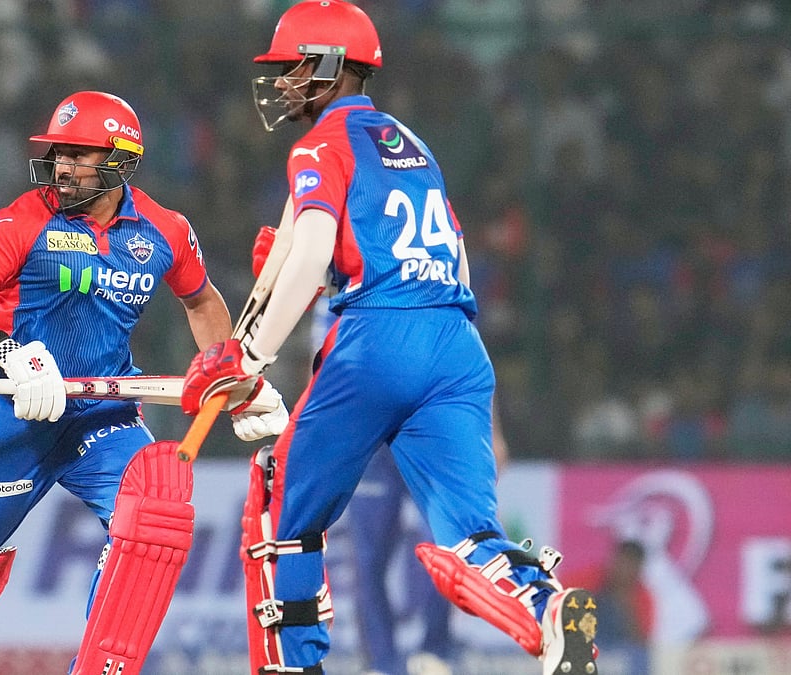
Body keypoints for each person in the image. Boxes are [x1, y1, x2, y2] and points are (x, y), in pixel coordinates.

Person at [179, 3, 598, 675]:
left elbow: (310, 249)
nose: (282, 83)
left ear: (328, 68)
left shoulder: (318, 145)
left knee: (278, 499)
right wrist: (259, 319)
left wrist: (247, 357)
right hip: (458, 347)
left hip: (379, 340)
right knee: (471, 537)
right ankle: (547, 614)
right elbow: (319, 248)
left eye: (292, 69)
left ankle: (294, 664)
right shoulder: (412, 142)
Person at [0, 90, 288, 675]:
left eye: (80, 155)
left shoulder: (164, 230)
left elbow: (201, 302)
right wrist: (10, 353)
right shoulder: (23, 219)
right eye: (58, 153)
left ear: (120, 161)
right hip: (16, 409)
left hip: (103, 412)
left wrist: (239, 376)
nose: (63, 167)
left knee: (156, 509)